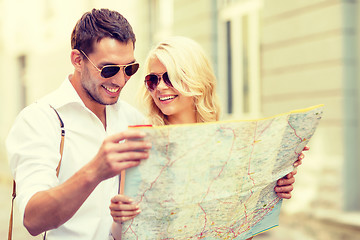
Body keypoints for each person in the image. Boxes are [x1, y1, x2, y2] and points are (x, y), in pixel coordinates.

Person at [109, 36, 309, 239]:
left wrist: (276, 184)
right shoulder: (141, 147)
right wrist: (118, 219)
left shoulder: (231, 146)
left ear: (195, 79)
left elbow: (241, 227)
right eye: (153, 80)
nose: (160, 87)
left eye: (170, 77)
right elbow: (123, 234)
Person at [6, 8, 152, 240]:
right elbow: (33, 220)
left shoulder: (132, 119)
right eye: (109, 69)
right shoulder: (40, 119)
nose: (120, 80)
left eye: (130, 69)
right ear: (77, 60)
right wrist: (95, 170)